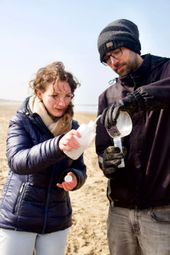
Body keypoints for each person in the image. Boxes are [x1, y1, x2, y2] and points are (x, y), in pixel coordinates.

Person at [96, 19, 170, 255]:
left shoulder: (166, 71)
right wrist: (105, 162)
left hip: (162, 211)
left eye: (116, 52)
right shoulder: (107, 97)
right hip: (119, 211)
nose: (113, 62)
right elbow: (102, 147)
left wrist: (138, 99)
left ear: (133, 45)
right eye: (107, 59)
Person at [0, 61, 87, 255]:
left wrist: (74, 177)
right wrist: (57, 145)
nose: (62, 102)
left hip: (57, 218)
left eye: (68, 96)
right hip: (20, 217)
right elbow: (18, 161)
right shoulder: (21, 121)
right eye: (54, 95)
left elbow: (80, 167)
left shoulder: (73, 127)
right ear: (39, 93)